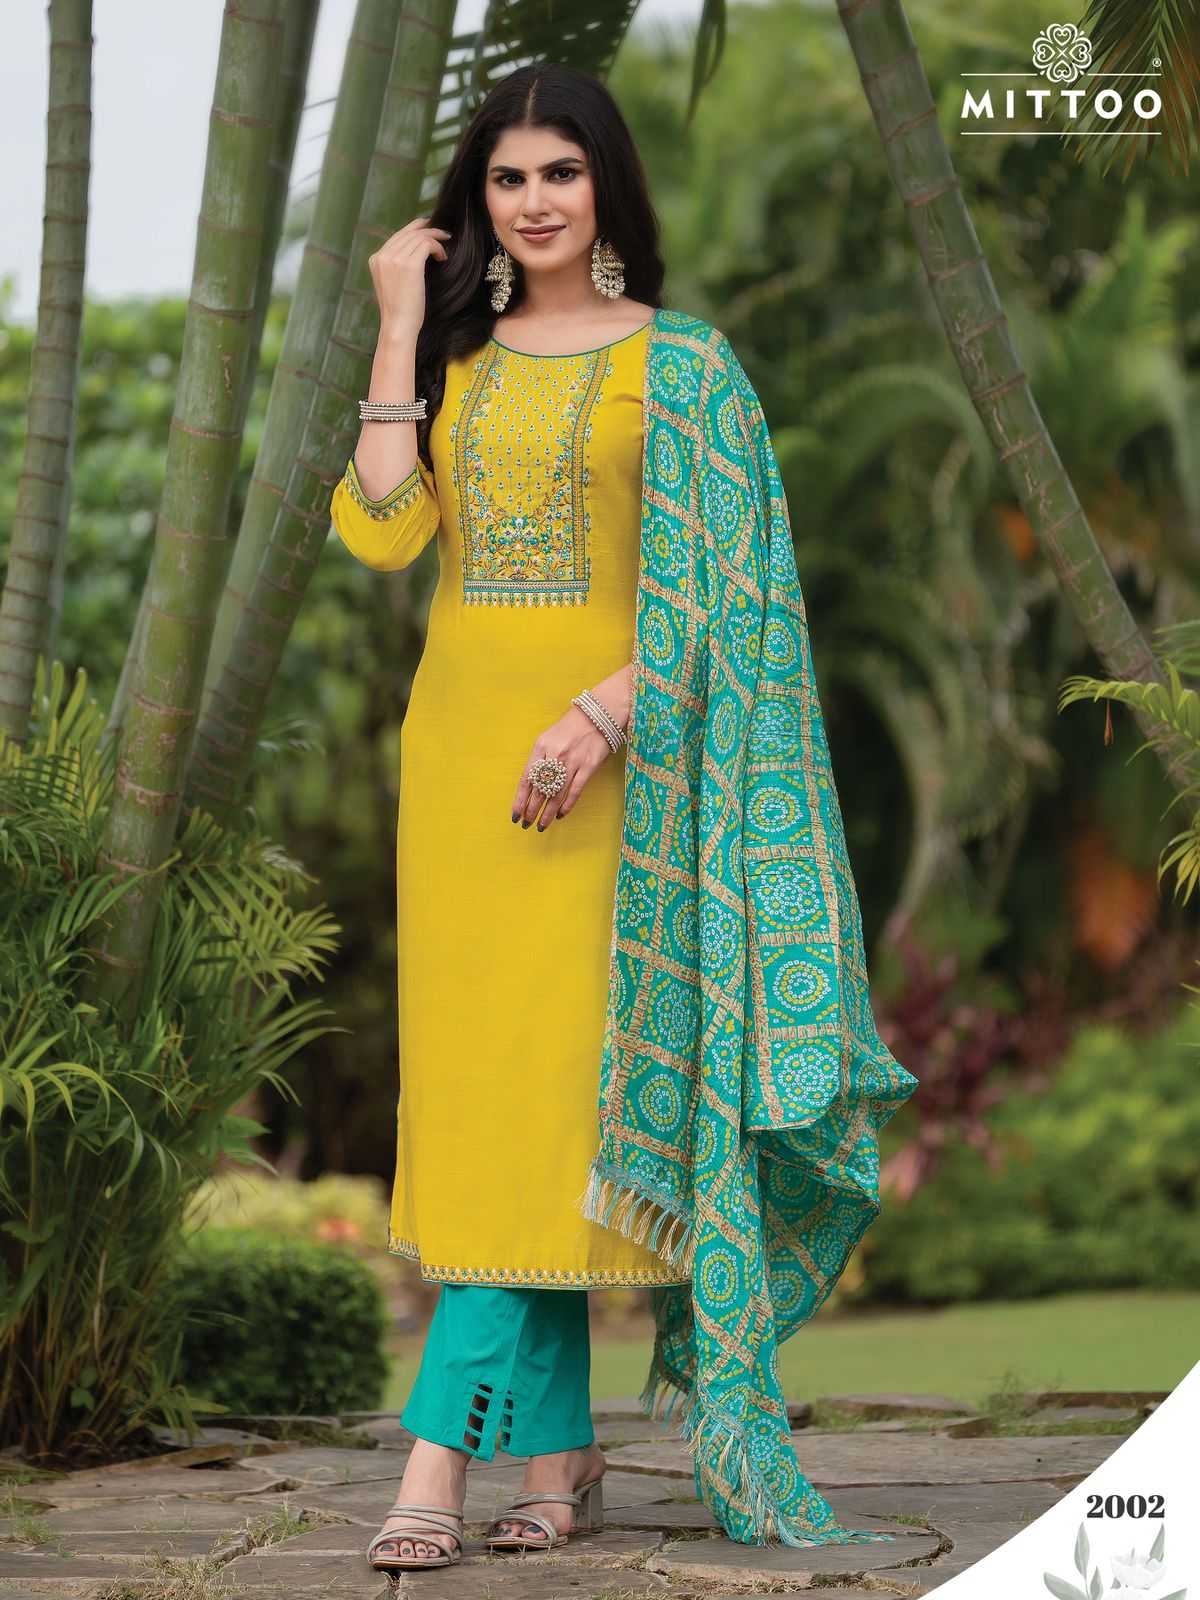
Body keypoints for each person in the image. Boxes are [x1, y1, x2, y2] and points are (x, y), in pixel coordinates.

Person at [329, 62, 918, 1572]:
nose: (535, 203)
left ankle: (432, 1469)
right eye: (507, 178)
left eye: (561, 173)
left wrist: (603, 713)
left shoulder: (688, 368)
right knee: (490, 1115)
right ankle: (560, 1455)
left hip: (632, 791)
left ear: (607, 188)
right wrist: (397, 320)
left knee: (559, 1111)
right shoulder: (455, 362)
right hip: (463, 779)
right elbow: (384, 530)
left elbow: (738, 601)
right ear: (477, 201)